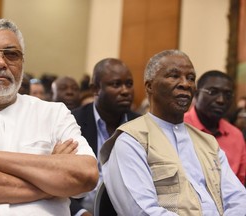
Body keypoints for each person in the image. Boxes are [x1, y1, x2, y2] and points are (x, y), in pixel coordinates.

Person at [0, 18, 99, 216]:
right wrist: (51, 184)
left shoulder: (53, 113)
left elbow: (85, 175)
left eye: (11, 55)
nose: (0, 63)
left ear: (22, 63)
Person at [100, 50, 246, 216]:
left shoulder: (208, 142)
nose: (186, 84)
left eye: (191, 78)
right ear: (149, 86)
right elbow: (142, 211)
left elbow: (238, 198)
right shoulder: (131, 141)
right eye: (174, 76)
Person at [70, 58, 140, 215]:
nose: (125, 91)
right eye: (116, 84)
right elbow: (58, 180)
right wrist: (79, 213)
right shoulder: (73, 122)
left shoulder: (141, 126)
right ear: (95, 89)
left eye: (129, 84)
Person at [184, 70, 246, 185]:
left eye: (227, 95)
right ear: (196, 94)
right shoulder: (177, 126)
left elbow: (240, 183)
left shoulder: (236, 136)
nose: (221, 100)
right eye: (213, 92)